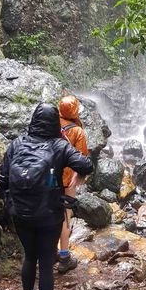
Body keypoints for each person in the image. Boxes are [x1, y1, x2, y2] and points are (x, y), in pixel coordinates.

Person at [0, 102, 92, 290]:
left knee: (29, 256)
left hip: (20, 213)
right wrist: (75, 174)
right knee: (46, 262)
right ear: (54, 123)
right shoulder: (60, 146)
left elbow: (2, 179)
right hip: (49, 214)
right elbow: (86, 164)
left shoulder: (17, 143)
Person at [57, 95, 88, 274]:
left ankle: (49, 251)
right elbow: (82, 158)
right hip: (68, 179)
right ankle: (64, 255)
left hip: (50, 177)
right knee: (65, 217)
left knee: (51, 213)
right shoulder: (77, 131)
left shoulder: (51, 125)